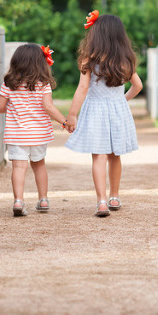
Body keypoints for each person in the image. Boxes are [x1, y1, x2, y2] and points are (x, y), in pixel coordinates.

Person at [65, 11, 143, 217]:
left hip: (95, 111)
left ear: (96, 34)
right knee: (115, 155)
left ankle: (101, 201)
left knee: (98, 156)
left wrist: (72, 114)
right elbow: (138, 85)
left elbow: (82, 89)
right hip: (117, 111)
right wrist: (121, 101)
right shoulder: (126, 60)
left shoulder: (88, 60)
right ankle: (114, 196)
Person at [0, 43, 69, 216]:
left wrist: (13, 109)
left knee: (19, 168)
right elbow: (48, 107)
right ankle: (43, 199)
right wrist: (65, 123)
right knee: (39, 165)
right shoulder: (43, 84)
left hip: (17, 134)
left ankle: (18, 201)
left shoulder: (9, 83)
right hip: (38, 134)